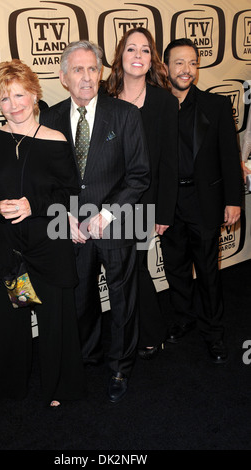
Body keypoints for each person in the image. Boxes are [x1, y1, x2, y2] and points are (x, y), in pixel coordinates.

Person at [0, 59, 85, 407]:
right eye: (4, 99)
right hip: (9, 249)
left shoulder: (56, 140)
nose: (13, 105)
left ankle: (61, 387)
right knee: (9, 320)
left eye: (19, 95)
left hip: (48, 246)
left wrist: (35, 205)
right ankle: (2, 383)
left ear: (33, 94)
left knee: (54, 322)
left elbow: (70, 193)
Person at [40, 40, 150, 403]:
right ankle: (87, 355)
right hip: (69, 224)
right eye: (77, 70)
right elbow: (47, 180)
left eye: (92, 69)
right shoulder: (50, 118)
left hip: (117, 222)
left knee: (122, 299)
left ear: (100, 72)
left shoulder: (125, 115)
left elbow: (139, 176)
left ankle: (120, 365)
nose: (86, 77)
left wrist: (106, 214)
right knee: (79, 298)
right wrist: (65, 214)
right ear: (63, 77)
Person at [161, 38, 242, 363]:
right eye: (179, 62)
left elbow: (229, 156)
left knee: (208, 272)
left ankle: (214, 332)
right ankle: (184, 319)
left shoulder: (216, 106)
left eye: (192, 62)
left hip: (204, 200)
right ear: (165, 67)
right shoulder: (154, 108)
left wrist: (233, 200)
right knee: (176, 269)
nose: (186, 69)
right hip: (168, 202)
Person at [105, 27, 178, 360]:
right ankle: (137, 330)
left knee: (133, 264)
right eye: (131, 49)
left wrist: (163, 212)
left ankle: (150, 332)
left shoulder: (163, 101)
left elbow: (169, 160)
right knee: (121, 268)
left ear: (153, 59)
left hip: (143, 199)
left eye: (145, 50)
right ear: (120, 55)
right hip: (106, 199)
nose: (138, 55)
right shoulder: (105, 97)